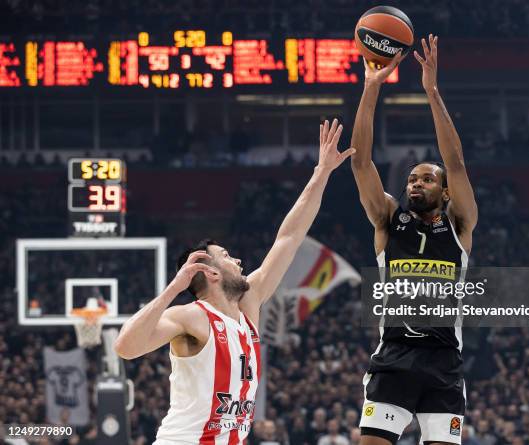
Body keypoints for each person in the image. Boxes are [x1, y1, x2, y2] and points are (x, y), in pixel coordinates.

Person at [114, 119, 355, 445]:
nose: (238, 260)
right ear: (210, 273)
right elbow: (125, 347)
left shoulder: (248, 305)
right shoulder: (192, 316)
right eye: (227, 256)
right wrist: (175, 287)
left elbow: (290, 237)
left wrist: (321, 172)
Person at [350, 35, 478, 445]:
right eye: (411, 178)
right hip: (394, 356)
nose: (415, 183)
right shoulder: (389, 218)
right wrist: (371, 89)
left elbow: (456, 161)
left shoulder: (459, 224)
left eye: (426, 178)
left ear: (444, 192)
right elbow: (360, 161)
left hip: (443, 362)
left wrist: (432, 91)